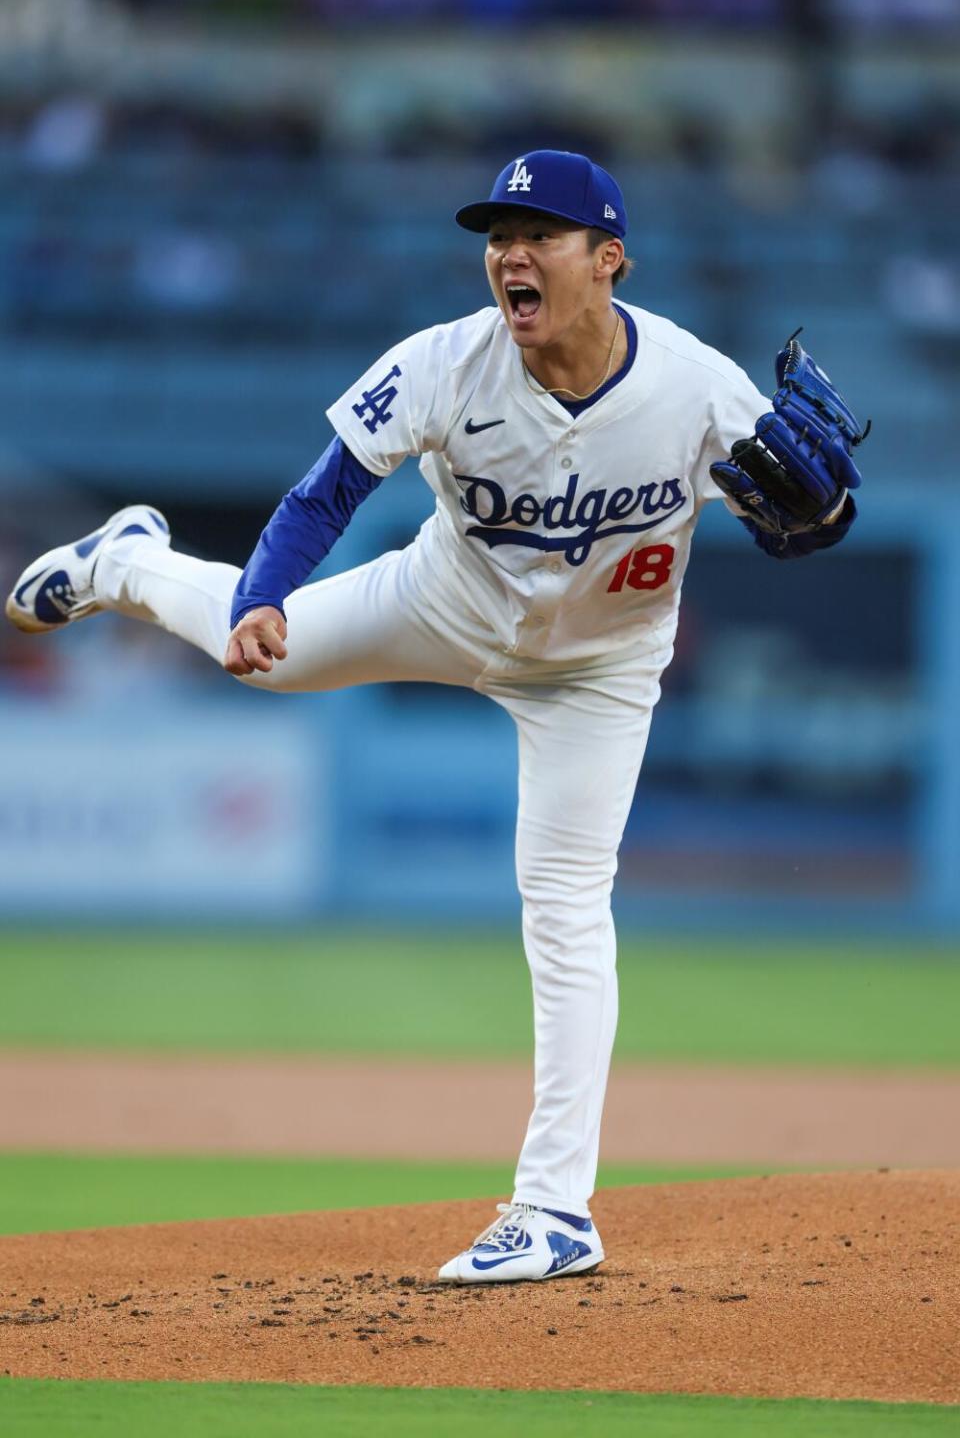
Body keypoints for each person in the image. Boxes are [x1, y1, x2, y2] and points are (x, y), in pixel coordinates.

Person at [6, 150, 862, 1284]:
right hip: (440, 603)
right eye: (498, 233)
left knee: (565, 906)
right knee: (255, 656)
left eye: (541, 232)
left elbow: (814, 514)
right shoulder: (442, 365)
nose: (511, 251)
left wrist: (828, 510)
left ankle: (556, 1213)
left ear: (608, 260)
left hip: (598, 671)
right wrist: (261, 597)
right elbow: (325, 496)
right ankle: (128, 562)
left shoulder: (699, 387)